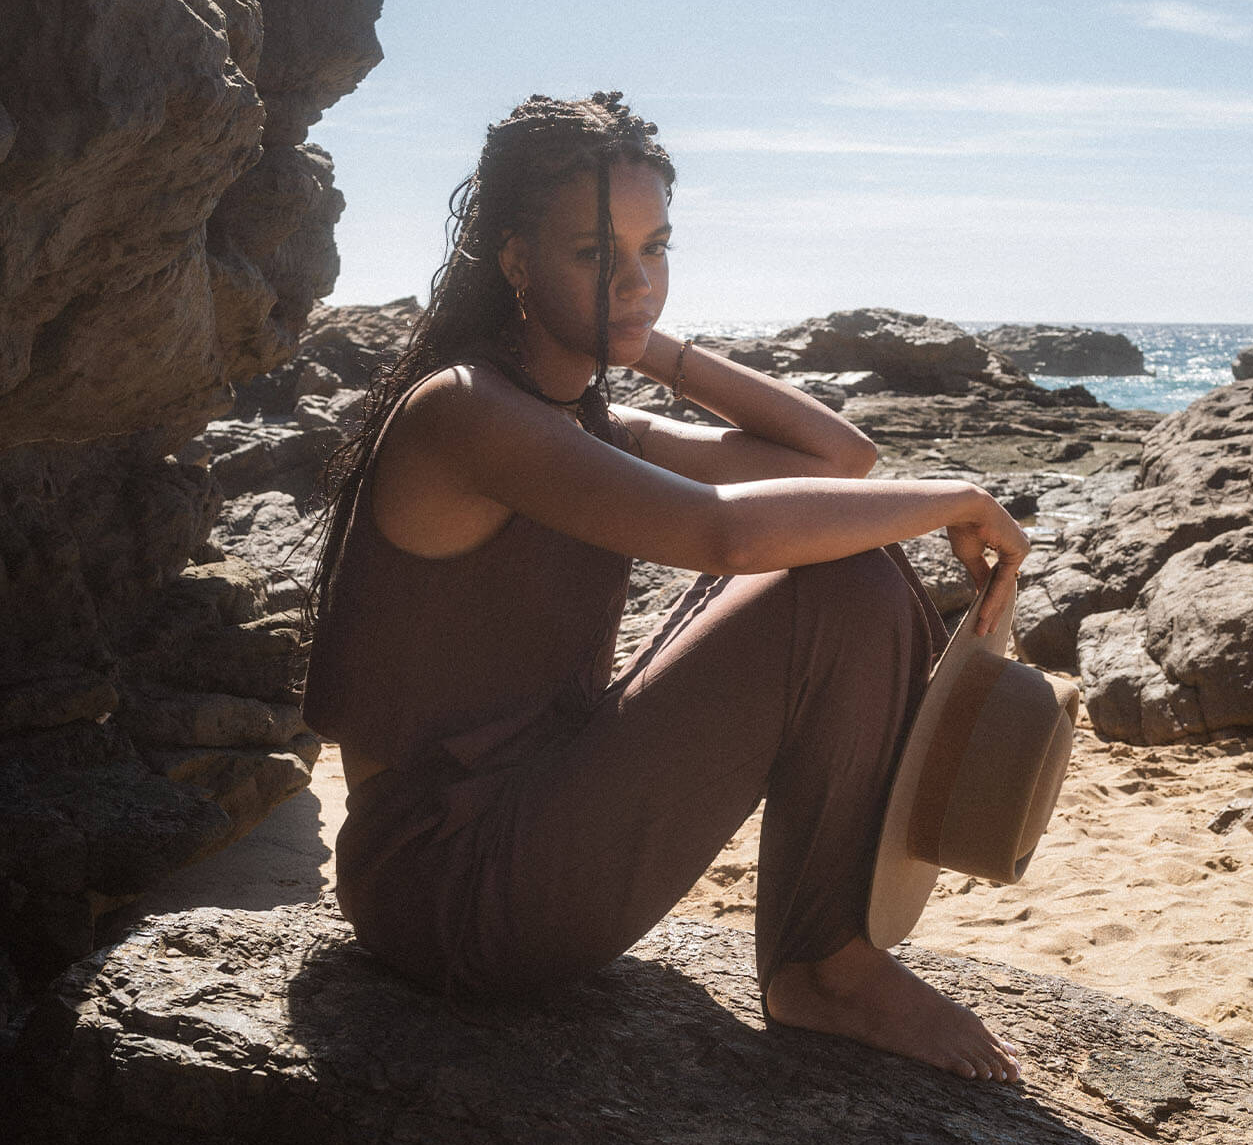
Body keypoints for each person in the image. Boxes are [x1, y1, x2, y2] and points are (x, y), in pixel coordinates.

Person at [299, 92, 1030, 1083]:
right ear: (515, 261)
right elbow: (722, 531)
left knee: (845, 560)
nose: (638, 280)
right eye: (596, 255)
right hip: (453, 889)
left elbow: (836, 458)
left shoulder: (585, 422)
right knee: (839, 573)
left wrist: (649, 339)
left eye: (656, 249)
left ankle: (824, 959)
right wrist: (952, 498)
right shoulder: (465, 413)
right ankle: (825, 964)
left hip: (535, 824)